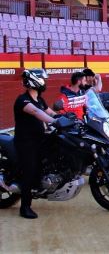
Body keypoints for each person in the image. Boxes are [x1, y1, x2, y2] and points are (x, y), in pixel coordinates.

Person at [13, 69, 58, 219]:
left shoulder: (39, 99)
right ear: (35, 81)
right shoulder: (23, 100)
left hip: (40, 139)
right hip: (26, 142)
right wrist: (55, 122)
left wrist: (66, 117)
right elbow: (38, 113)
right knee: (30, 171)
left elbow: (50, 111)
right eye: (43, 80)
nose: (45, 82)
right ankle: (25, 207)